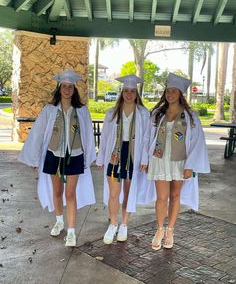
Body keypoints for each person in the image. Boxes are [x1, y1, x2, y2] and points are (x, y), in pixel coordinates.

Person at [18, 69, 96, 247]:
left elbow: (88, 135)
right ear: (60, 88)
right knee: (58, 192)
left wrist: (90, 156)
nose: (67, 89)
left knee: (70, 194)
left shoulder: (82, 111)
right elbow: (38, 133)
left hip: (75, 155)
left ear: (74, 89)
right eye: (64, 86)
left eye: (70, 87)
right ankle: (59, 220)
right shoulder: (50, 109)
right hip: (54, 155)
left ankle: (71, 231)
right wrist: (34, 158)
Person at [147, 72, 210, 250]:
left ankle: (170, 230)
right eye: (168, 90)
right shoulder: (157, 114)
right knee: (161, 197)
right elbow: (147, 138)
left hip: (180, 161)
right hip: (159, 159)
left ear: (181, 94)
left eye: (174, 91)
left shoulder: (190, 116)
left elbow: (197, 142)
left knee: (175, 196)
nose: (170, 93)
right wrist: (146, 159)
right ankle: (160, 229)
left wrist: (191, 165)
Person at [96, 74, 152, 244]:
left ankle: (124, 224)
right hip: (114, 154)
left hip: (133, 154)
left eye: (132, 91)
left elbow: (146, 138)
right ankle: (113, 224)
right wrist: (100, 158)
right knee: (114, 193)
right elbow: (104, 137)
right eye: (126, 91)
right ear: (122, 92)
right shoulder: (112, 113)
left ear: (136, 93)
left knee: (128, 191)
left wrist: (145, 158)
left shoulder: (143, 113)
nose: (129, 94)